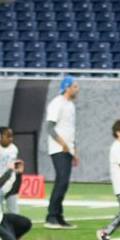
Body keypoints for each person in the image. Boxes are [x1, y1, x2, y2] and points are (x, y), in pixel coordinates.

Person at [41, 74, 79, 228]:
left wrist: (74, 150)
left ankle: (58, 215)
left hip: (67, 148)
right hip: (58, 148)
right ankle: (51, 216)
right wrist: (62, 143)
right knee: (61, 181)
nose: (77, 89)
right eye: (75, 86)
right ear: (67, 87)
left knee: (64, 183)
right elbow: (50, 127)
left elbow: (71, 130)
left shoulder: (70, 105)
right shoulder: (57, 103)